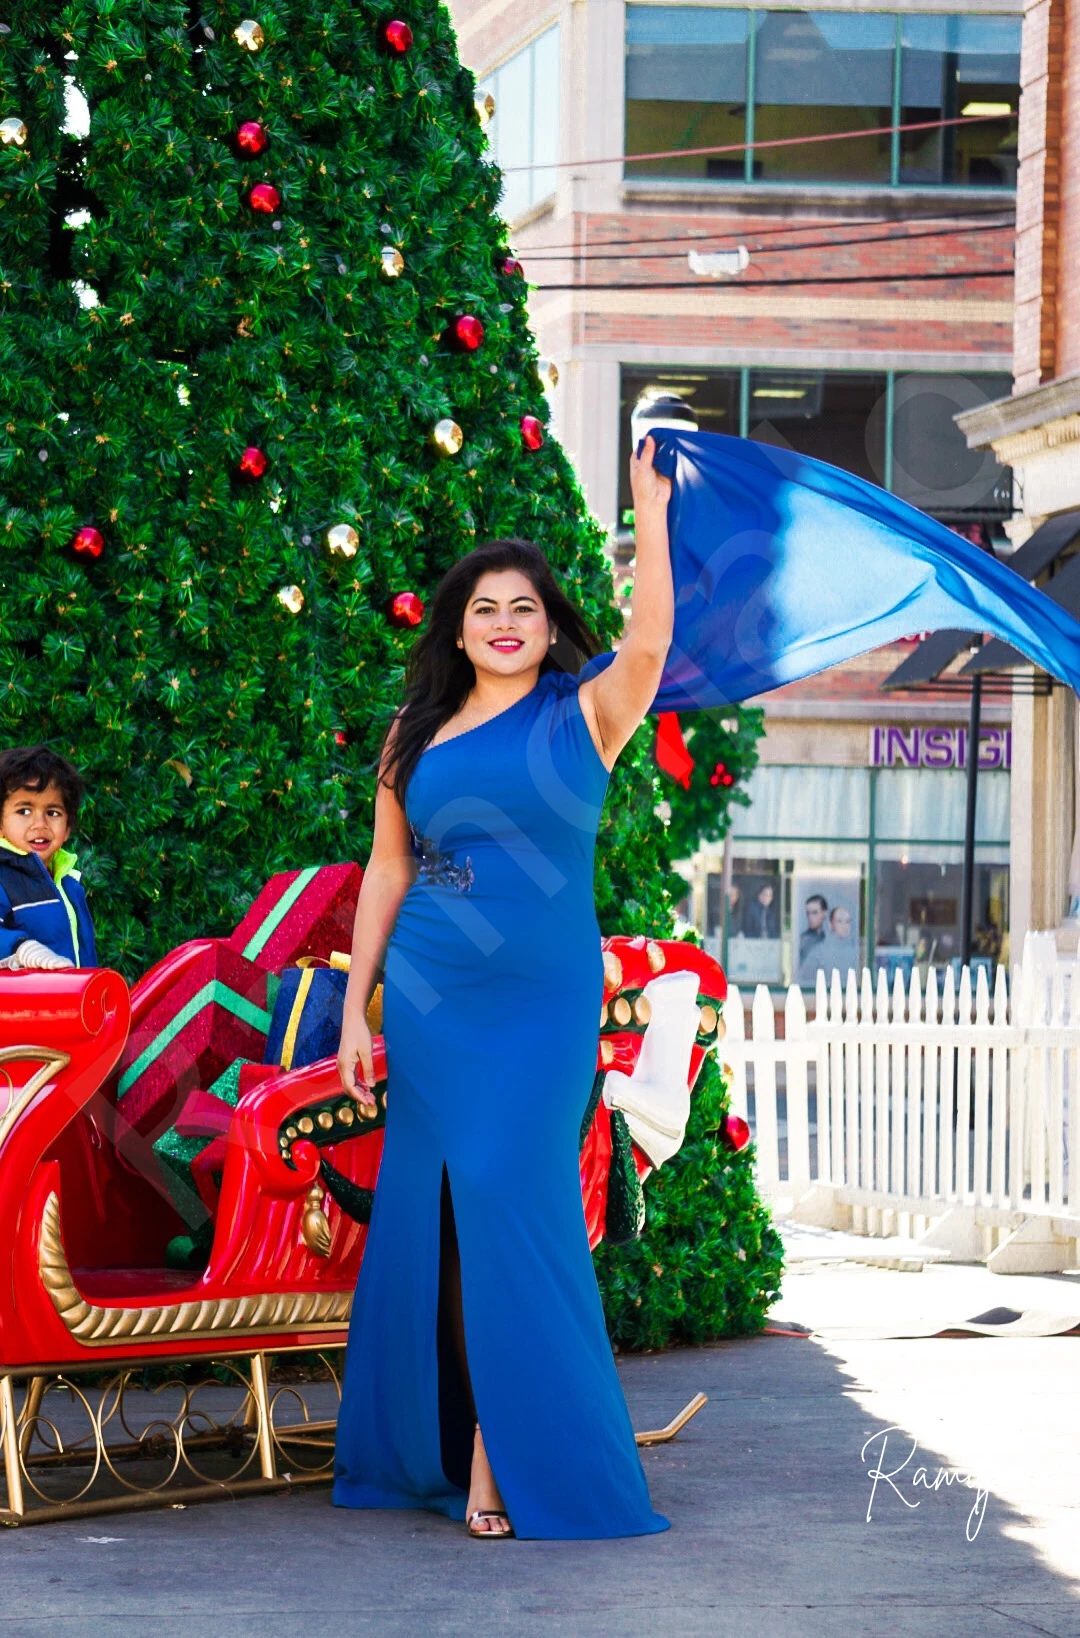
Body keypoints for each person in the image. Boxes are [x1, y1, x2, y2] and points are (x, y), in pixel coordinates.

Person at [332, 437, 674, 1541]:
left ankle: (499, 1449)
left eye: (524, 607)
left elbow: (653, 637)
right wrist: (354, 1007)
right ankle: (436, 1443)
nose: (507, 624)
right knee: (437, 1216)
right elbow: (388, 869)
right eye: (486, 609)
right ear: (458, 626)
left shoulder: (587, 715)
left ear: (546, 621)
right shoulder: (412, 734)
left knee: (507, 1198)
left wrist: (648, 513)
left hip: (540, 1004)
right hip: (432, 996)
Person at [0, 745, 97, 970]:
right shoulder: (3, 878)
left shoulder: (69, 884)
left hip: (73, 1002)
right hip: (19, 1005)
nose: (40, 825)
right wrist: (21, 948)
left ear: (68, 827)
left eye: (53, 813)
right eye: (24, 811)